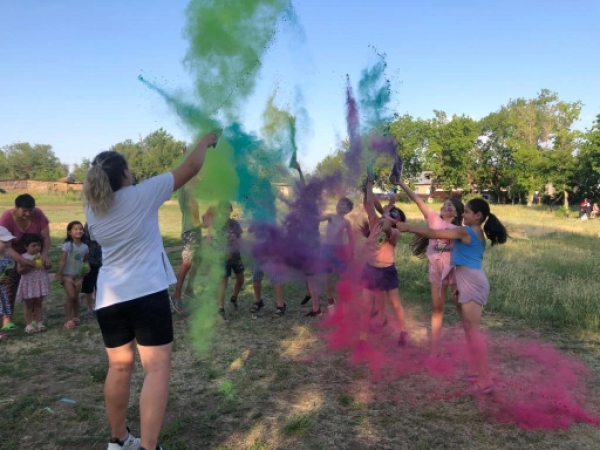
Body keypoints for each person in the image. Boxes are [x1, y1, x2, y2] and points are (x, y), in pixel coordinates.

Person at [83, 131, 218, 450]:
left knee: (118, 367)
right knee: (156, 370)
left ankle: (118, 440)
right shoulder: (142, 194)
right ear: (125, 174)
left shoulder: (92, 208)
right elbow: (191, 168)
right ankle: (148, 447)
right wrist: (205, 141)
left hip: (109, 298)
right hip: (146, 293)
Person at [397, 198, 508, 394]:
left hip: (473, 282)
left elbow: (434, 233)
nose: (463, 215)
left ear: (478, 216)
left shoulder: (465, 231)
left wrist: (408, 228)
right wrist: (460, 287)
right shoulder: (476, 231)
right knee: (468, 329)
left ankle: (486, 380)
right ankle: (475, 371)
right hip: (467, 281)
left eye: (466, 212)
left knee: (473, 332)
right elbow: (466, 259)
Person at [395, 179, 464, 357]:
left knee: (461, 308)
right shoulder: (433, 219)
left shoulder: (460, 229)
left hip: (456, 272)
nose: (447, 206)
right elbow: (417, 200)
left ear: (457, 213)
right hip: (436, 272)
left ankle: (471, 340)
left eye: (451, 205)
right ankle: (435, 350)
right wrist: (401, 183)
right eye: (445, 204)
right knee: (437, 309)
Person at [358, 176, 409, 346]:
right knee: (365, 306)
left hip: (387, 271)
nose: (389, 212)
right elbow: (370, 204)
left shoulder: (395, 233)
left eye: (394, 213)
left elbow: (387, 227)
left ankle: (403, 331)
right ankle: (363, 339)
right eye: (389, 212)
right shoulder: (375, 223)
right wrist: (370, 184)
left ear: (398, 221)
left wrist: (388, 212)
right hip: (370, 269)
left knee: (395, 304)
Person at [0, 194, 52, 329]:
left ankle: (34, 319)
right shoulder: (6, 218)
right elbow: (5, 244)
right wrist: (21, 260)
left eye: (31, 210)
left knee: (33, 286)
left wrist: (44, 256)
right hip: (11, 254)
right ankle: (7, 318)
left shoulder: (39, 214)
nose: (28, 214)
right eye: (24, 211)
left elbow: (46, 238)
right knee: (9, 286)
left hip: (33, 253)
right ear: (16, 208)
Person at [170, 176, 203, 313]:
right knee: (187, 262)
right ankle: (176, 295)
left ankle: (189, 290)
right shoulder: (184, 189)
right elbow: (189, 169)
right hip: (189, 230)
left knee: (199, 259)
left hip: (196, 229)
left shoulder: (193, 192)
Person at [320, 197, 355, 308]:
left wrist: (351, 252)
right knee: (327, 275)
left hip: (339, 250)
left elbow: (351, 238)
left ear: (348, 210)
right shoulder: (330, 216)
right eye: (339, 203)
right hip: (326, 249)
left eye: (343, 204)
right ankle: (330, 299)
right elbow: (319, 218)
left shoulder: (346, 222)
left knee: (343, 275)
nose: (339, 205)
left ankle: (343, 298)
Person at [54, 221, 89, 328]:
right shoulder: (67, 245)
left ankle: (75, 316)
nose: (79, 231)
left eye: (80, 229)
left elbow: (85, 261)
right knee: (71, 296)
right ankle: (68, 320)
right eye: (76, 229)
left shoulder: (85, 247)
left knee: (76, 297)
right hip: (67, 275)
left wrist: (86, 271)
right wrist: (58, 275)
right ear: (69, 232)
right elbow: (62, 261)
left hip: (78, 276)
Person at [215, 201, 245, 320]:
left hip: (236, 256)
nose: (225, 211)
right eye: (223, 209)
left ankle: (233, 299)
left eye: (227, 209)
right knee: (223, 282)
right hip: (223, 258)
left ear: (231, 210)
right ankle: (221, 309)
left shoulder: (235, 224)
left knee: (240, 280)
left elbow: (239, 238)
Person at [16, 233, 50, 333]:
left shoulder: (41, 256)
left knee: (38, 304)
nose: (37, 248)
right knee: (29, 305)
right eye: (33, 245)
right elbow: (20, 271)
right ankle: (29, 324)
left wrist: (47, 264)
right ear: (26, 246)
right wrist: (28, 265)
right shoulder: (23, 257)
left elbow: (49, 266)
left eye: (38, 245)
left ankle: (39, 322)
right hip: (29, 283)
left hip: (40, 282)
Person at [82, 222, 102, 317]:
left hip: (102, 261)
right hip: (89, 262)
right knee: (89, 287)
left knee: (100, 286)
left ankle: (99, 307)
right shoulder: (88, 224)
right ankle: (90, 308)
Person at [0, 226, 17, 339]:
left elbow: (11, 267)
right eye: (4, 242)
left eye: (9, 241)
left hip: (1, 288)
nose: (8, 244)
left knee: (0, 311)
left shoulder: (7, 257)